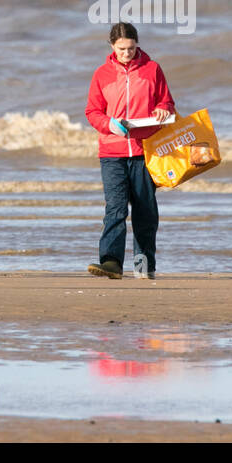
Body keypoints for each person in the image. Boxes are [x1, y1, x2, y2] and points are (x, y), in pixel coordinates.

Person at [84, 22, 176, 280]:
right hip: (111, 152)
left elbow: (166, 101)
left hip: (144, 150)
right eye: (122, 49)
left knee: (145, 210)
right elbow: (92, 111)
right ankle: (111, 263)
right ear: (112, 46)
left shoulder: (152, 69)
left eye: (132, 48)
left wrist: (162, 109)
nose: (127, 53)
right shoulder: (101, 74)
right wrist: (109, 124)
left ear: (137, 44)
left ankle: (144, 265)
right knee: (115, 209)